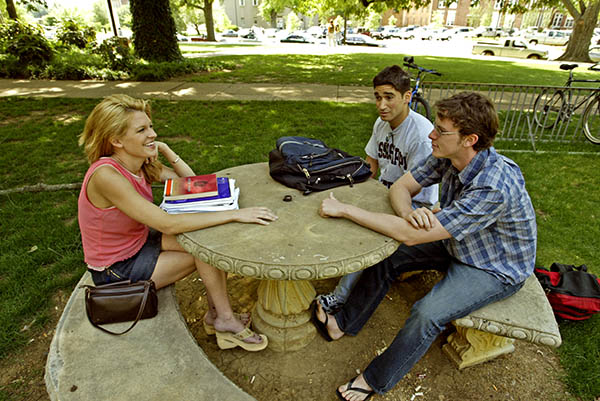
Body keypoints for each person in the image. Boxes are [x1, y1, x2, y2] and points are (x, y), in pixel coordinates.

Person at [313, 92, 537, 400]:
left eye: (441, 131)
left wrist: (346, 210)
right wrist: (409, 213)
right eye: (435, 126)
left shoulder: (493, 185)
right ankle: (343, 323)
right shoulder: (446, 154)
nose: (431, 134)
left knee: (426, 313)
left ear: (469, 139)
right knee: (387, 254)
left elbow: (411, 236)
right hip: (458, 239)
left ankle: (374, 381)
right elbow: (403, 187)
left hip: (492, 266)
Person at [77, 94, 277, 352]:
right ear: (116, 140)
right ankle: (224, 320)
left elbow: (195, 186)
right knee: (204, 251)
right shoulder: (107, 175)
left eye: (150, 126)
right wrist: (236, 214)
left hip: (140, 243)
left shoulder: (139, 164)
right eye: (142, 130)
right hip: (117, 269)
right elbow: (168, 224)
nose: (153, 134)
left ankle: (217, 316)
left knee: (206, 241)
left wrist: (168, 152)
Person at [316, 65, 438, 314]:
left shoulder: (421, 135)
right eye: (377, 97)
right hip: (383, 190)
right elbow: (370, 166)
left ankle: (340, 297)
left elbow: (413, 188)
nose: (382, 105)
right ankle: (334, 261)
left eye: (389, 97)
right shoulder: (381, 124)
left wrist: (365, 205)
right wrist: (350, 188)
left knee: (364, 226)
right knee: (335, 203)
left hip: (415, 205)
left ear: (407, 97)